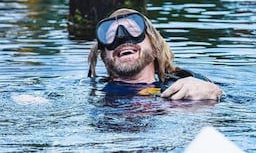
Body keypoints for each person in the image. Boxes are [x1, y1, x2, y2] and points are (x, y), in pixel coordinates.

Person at [87, 8, 223, 101]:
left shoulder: (184, 85)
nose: (122, 38)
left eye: (134, 31)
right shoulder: (94, 91)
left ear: (154, 46)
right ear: (105, 57)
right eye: (111, 36)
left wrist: (213, 92)